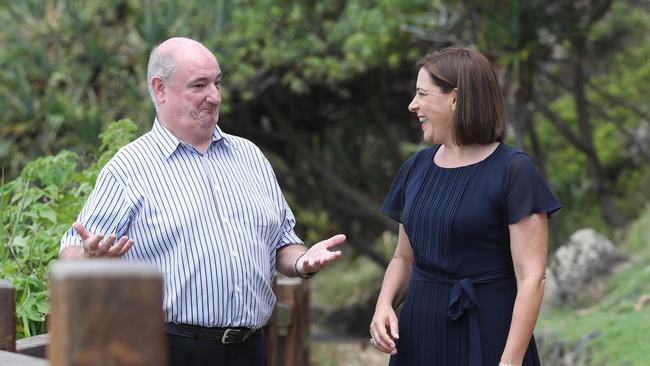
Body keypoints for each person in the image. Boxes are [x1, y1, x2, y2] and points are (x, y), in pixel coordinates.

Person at [59, 37, 346, 366]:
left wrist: (302, 261)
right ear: (160, 88)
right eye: (199, 85)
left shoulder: (250, 157)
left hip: (250, 349)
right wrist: (89, 256)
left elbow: (282, 243)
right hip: (166, 349)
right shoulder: (128, 168)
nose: (214, 96)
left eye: (217, 82)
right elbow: (69, 255)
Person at [369, 47, 561, 366]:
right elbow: (403, 257)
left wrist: (510, 361)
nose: (412, 105)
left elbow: (532, 276)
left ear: (455, 98)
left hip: (490, 335)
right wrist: (384, 304)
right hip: (419, 336)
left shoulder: (514, 171)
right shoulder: (416, 167)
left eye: (421, 94)